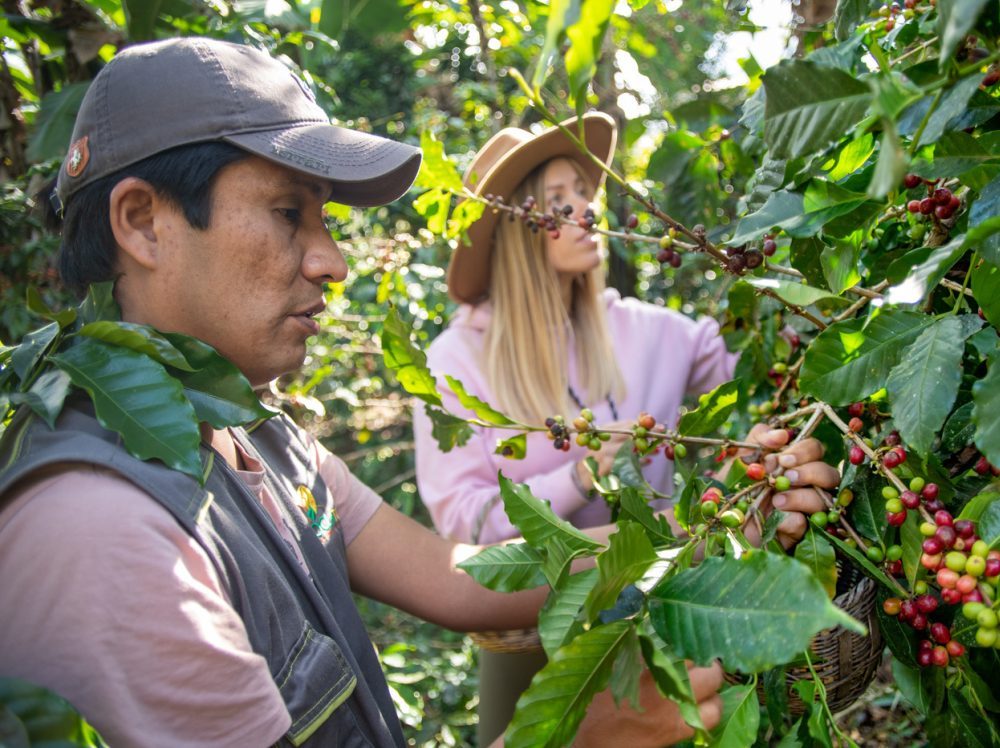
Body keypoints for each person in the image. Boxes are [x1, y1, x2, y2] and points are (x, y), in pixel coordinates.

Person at [0, 37, 735, 748]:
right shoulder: (105, 530)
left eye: (324, 218)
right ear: (143, 223)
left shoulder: (260, 436)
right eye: (288, 213)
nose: (333, 261)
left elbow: (459, 579)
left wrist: (711, 532)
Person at [412, 113, 838, 744]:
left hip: (668, 615)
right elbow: (464, 529)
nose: (586, 211)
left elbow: (757, 361)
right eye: (559, 201)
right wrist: (580, 475)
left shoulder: (644, 330)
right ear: (515, 227)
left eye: (585, 193)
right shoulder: (457, 361)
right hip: (533, 637)